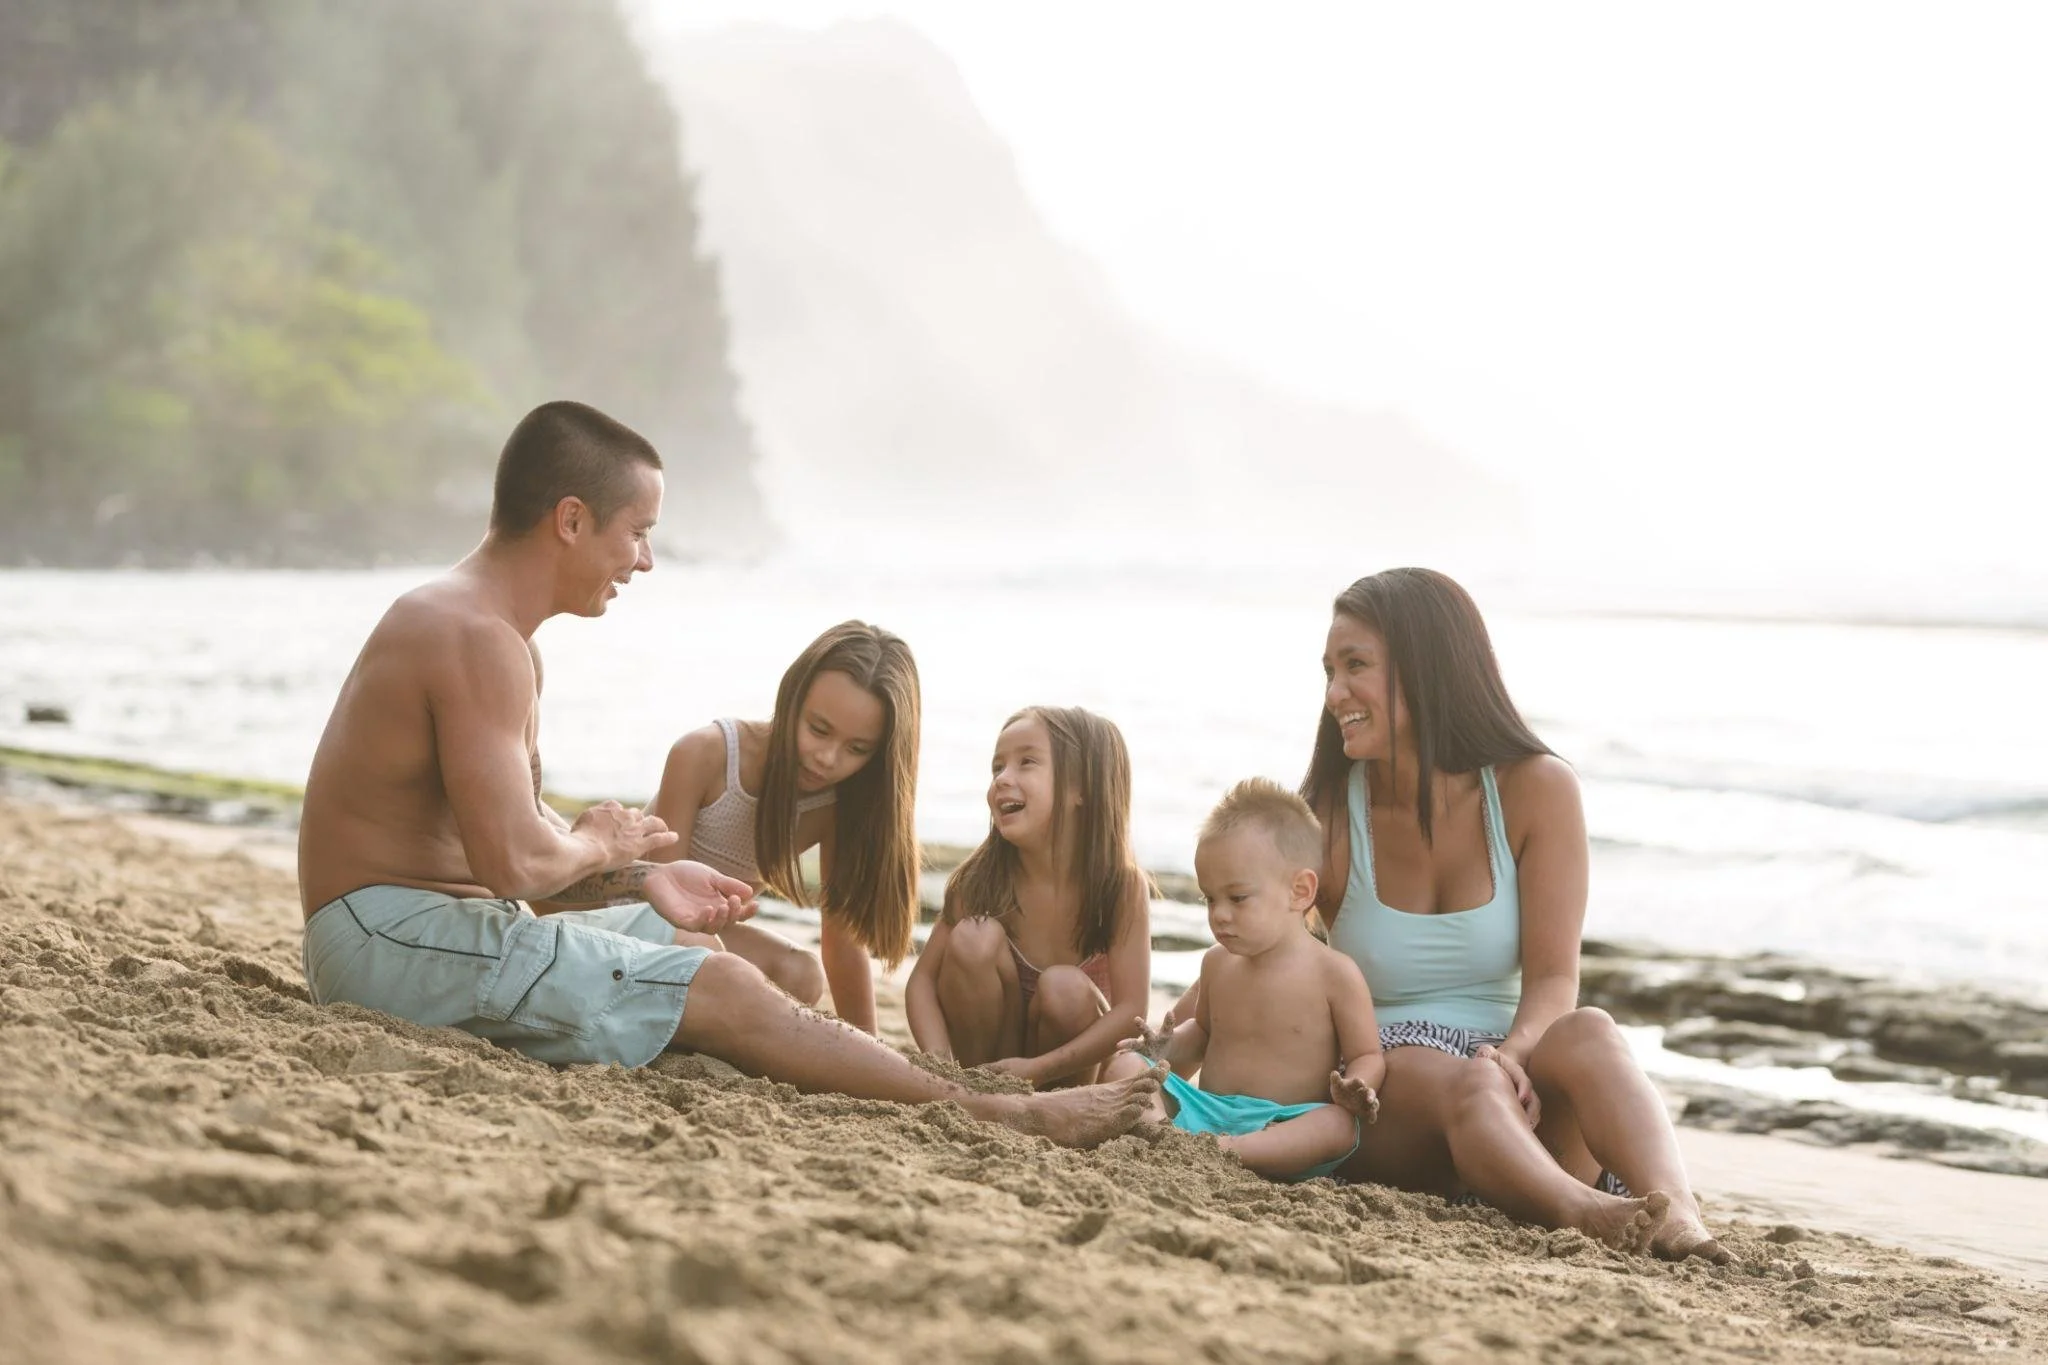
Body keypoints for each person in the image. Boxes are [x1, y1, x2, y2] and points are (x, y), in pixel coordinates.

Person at [297, 399, 1157, 1146]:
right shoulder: (474, 638)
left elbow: (521, 878)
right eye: (637, 531)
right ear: (569, 519)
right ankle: (1002, 1115)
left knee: (703, 954)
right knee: (717, 984)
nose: (643, 559)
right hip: (387, 940)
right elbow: (516, 870)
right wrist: (597, 840)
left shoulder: (501, 643)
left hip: (426, 931)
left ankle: (919, 1087)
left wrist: (644, 875)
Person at [1303, 566, 1724, 1258]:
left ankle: (1677, 1215)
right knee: (1465, 1081)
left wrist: (1515, 1054)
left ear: (1427, 666)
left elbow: (1555, 978)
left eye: (1355, 666)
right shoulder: (1327, 812)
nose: (1334, 694)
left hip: (1514, 1077)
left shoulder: (1537, 789)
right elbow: (1268, 950)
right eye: (1329, 670)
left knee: (1589, 1030)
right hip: (1399, 1100)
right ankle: (1583, 1212)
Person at [643, 621, 920, 1034]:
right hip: (637, 918)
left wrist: (868, 1047)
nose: (827, 758)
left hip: (709, 939)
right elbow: (656, 896)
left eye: (857, 749)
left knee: (800, 975)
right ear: (793, 697)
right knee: (713, 958)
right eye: (818, 729)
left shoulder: (839, 805)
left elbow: (842, 941)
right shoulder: (707, 753)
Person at [1104, 779, 1385, 1182]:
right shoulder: (1217, 964)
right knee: (1125, 1065)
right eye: (1209, 898)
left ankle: (1228, 1152)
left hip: (1281, 1122)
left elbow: (1368, 1054)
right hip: (1204, 1110)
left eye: (1236, 898)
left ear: (1300, 891)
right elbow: (1201, 1034)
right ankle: (1164, 1133)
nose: (1218, 914)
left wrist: (1358, 1084)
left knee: (1337, 1126)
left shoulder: (1336, 973)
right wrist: (1167, 1044)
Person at [905, 706, 1151, 1085]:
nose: (1003, 778)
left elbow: (1132, 1011)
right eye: (997, 767)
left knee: (1065, 987)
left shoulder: (1120, 887)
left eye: (1026, 762)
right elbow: (921, 983)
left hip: (1064, 1077)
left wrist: (1036, 1070)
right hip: (985, 1066)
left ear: (1081, 788)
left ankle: (1041, 1103)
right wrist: (942, 1068)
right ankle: (979, 1091)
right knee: (973, 938)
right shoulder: (981, 880)